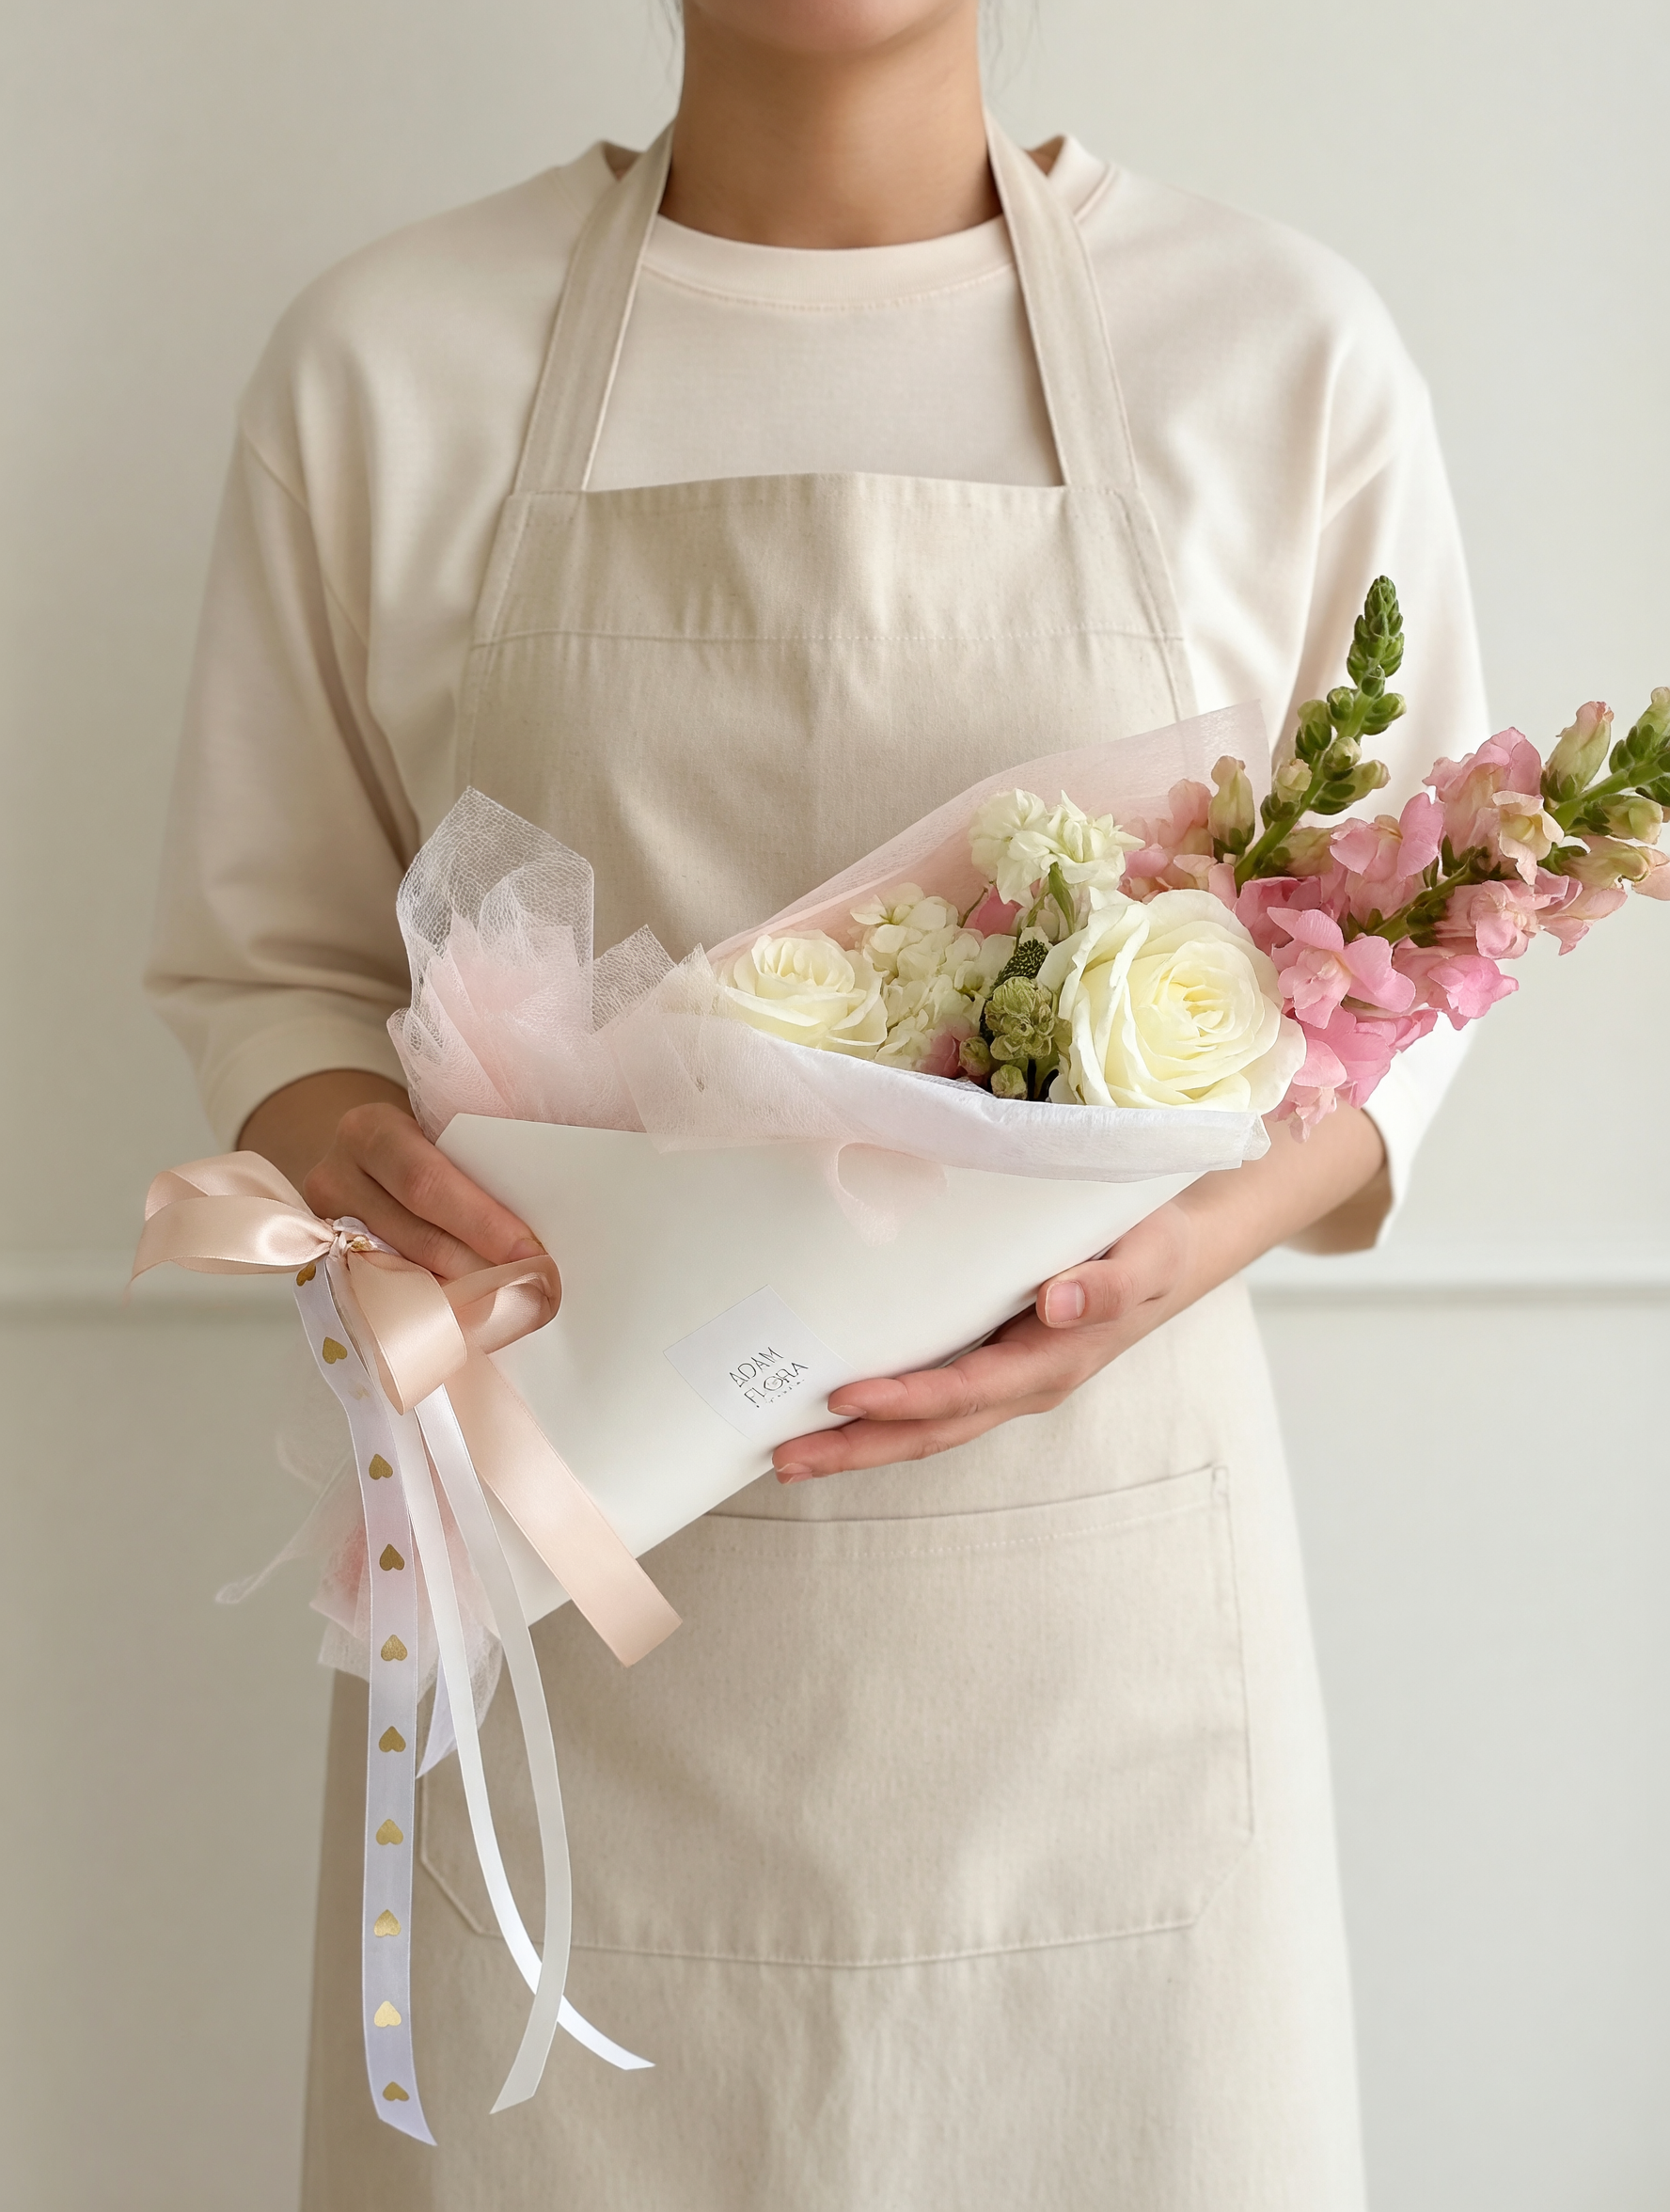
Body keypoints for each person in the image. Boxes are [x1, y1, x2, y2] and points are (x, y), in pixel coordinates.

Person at [147, 2, 1486, 2204]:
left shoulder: (1277, 351)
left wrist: (1176, 1256)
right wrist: (332, 1131)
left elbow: (1418, 969)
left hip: (1092, 1677)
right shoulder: (387, 364)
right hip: (560, 1674)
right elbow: (263, 949)